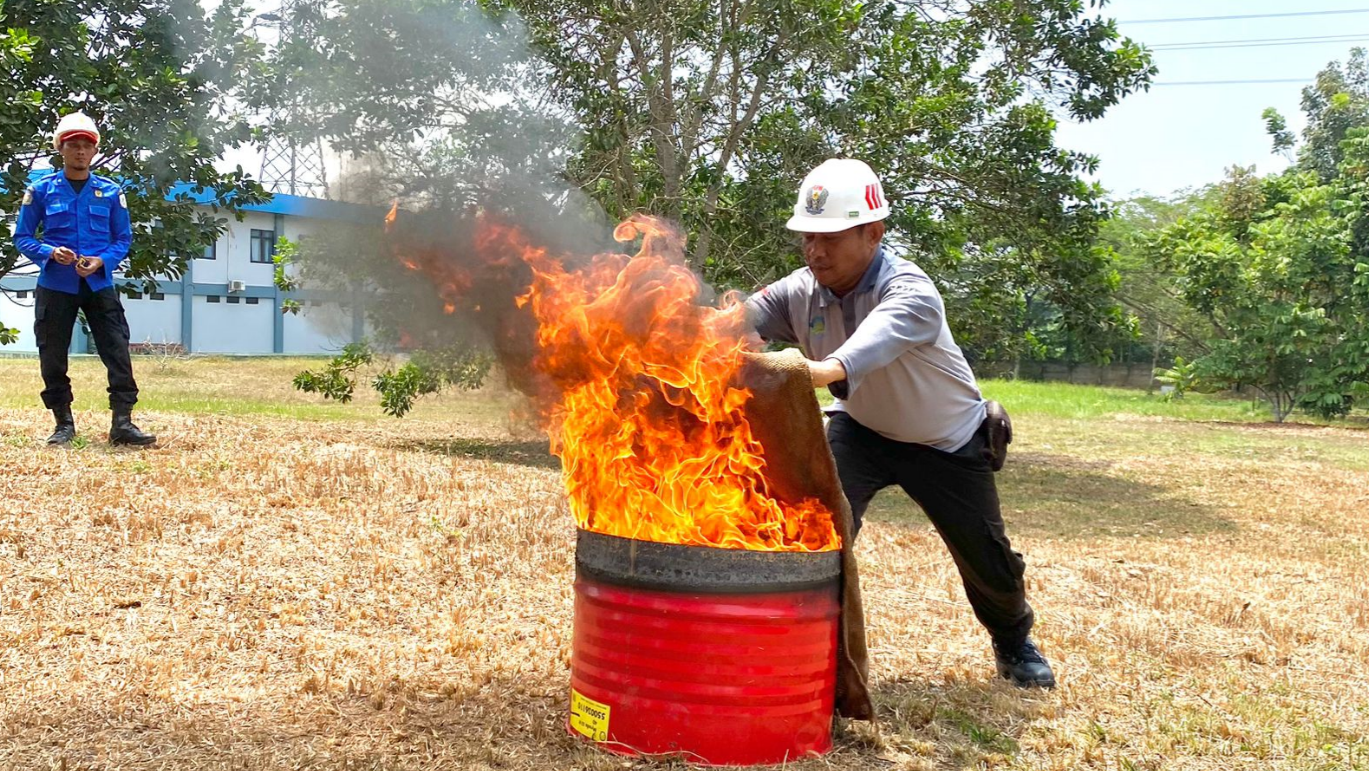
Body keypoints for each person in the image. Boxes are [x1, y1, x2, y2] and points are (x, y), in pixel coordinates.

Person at [745, 158, 1054, 688]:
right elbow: (743, 318)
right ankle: (798, 646)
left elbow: (869, 345)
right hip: (859, 431)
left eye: (831, 238)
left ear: (873, 233)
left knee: (989, 559)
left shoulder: (911, 291)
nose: (815, 251)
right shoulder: (800, 288)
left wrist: (816, 370)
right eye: (807, 238)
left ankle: (1013, 640)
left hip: (946, 441)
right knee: (817, 529)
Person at [13, 112, 156, 447]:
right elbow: (22, 237)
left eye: (86, 146)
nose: (79, 151)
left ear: (94, 152)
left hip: (99, 284)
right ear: (61, 149)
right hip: (55, 285)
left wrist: (102, 261)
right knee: (52, 354)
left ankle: (123, 423)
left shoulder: (110, 192)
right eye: (73, 145)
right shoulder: (41, 190)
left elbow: (123, 239)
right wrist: (49, 252)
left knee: (117, 349)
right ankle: (63, 424)